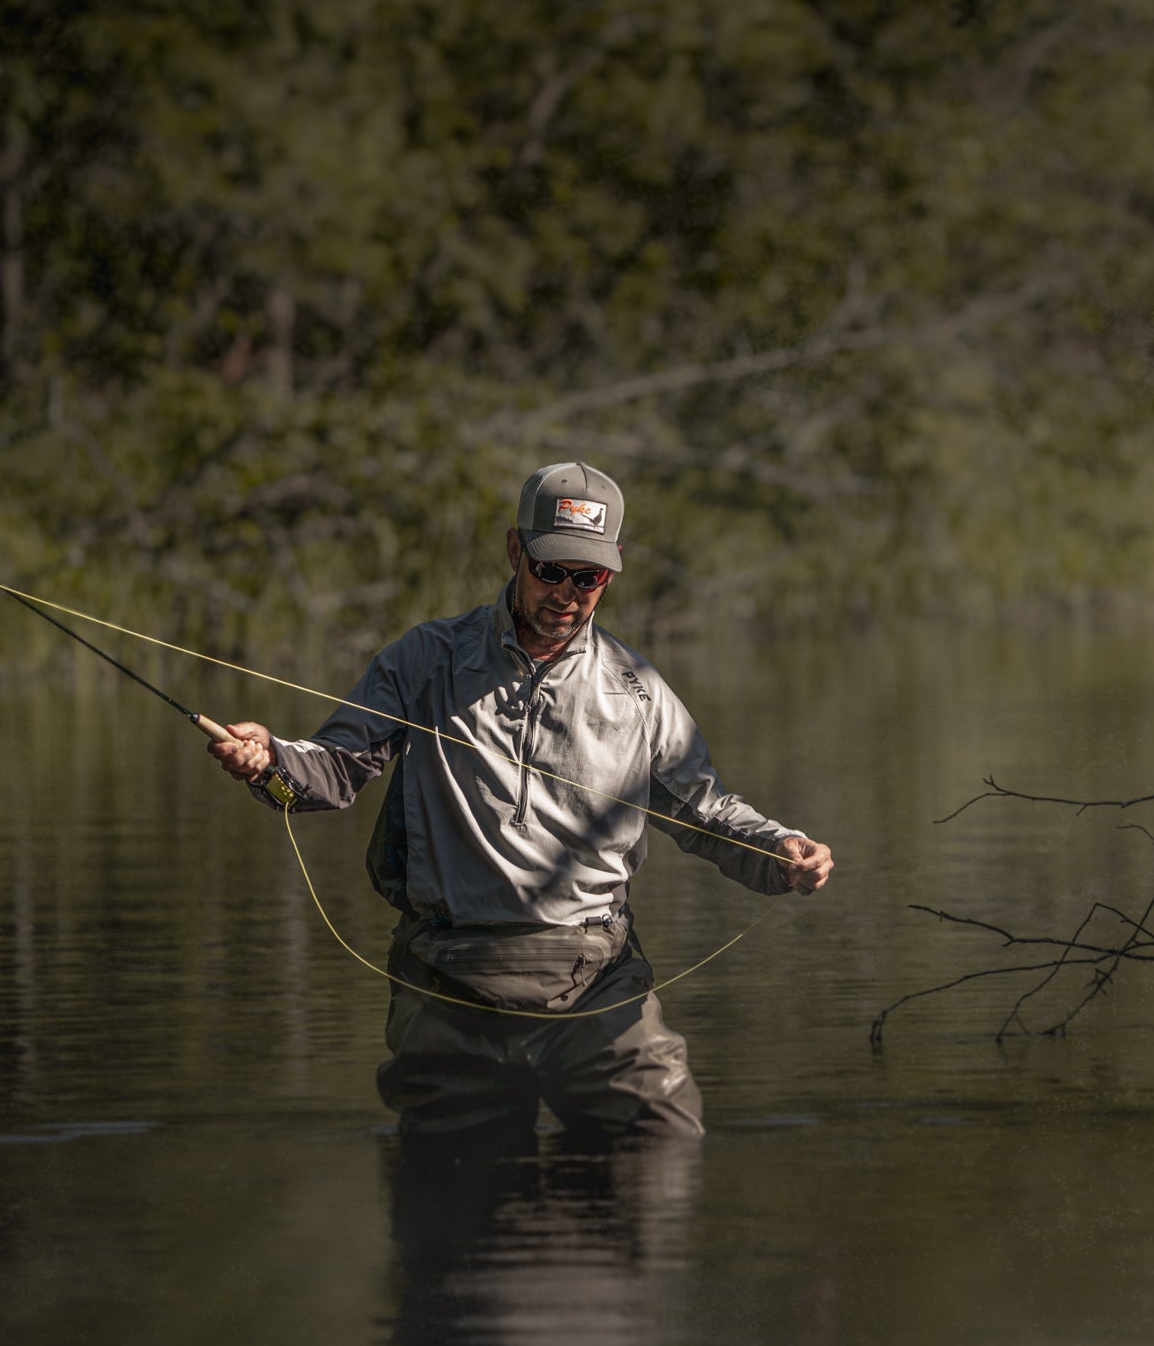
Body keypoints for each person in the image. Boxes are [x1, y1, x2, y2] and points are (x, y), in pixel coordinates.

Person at [205, 462, 832, 1141]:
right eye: (551, 569)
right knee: (455, 1205)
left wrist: (781, 852)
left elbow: (706, 811)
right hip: (448, 978)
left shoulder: (639, 690)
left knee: (662, 1147)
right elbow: (330, 771)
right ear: (515, 552)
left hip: (597, 979)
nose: (567, 593)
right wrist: (268, 762)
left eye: (588, 578)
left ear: (611, 573)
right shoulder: (424, 659)